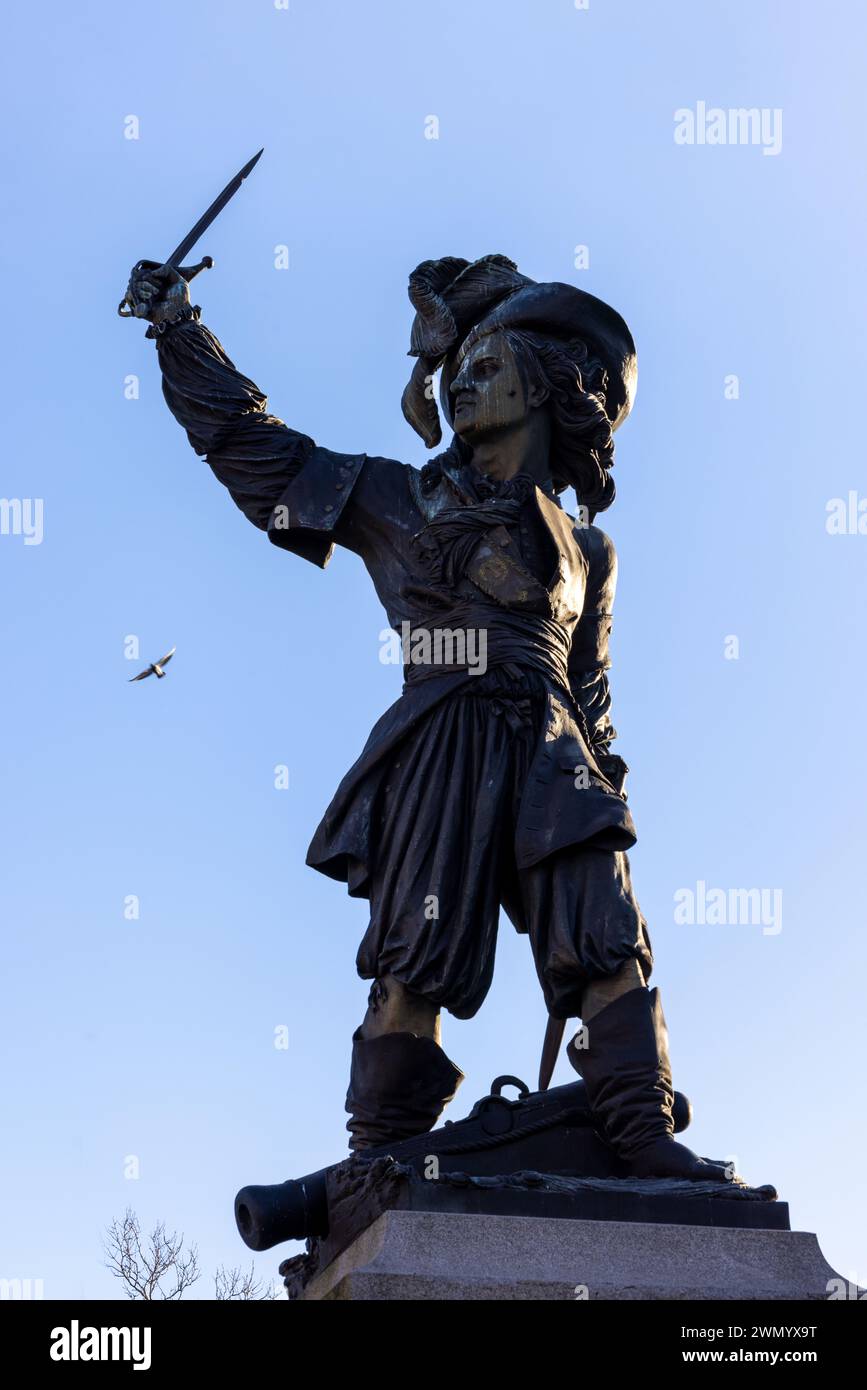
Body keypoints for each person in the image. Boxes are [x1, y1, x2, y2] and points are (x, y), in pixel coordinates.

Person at [124, 251, 730, 1181]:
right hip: (438, 732)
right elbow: (256, 450)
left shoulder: (591, 551)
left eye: (488, 365)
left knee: (608, 937)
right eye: (460, 369)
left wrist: (602, 774)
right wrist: (179, 331)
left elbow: (589, 687)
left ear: (549, 386)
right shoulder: (395, 497)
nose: (463, 386)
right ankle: (378, 1158)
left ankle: (641, 1135)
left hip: (555, 748)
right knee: (413, 959)